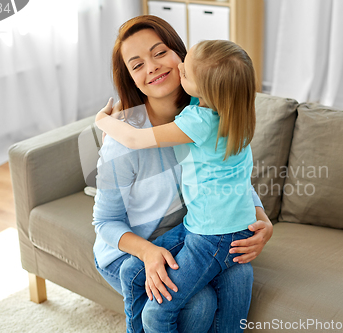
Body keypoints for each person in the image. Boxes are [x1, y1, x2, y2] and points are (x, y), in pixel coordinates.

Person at [92, 15, 273, 333]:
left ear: (182, 57)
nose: (152, 67)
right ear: (132, 79)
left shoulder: (209, 110)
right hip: (132, 249)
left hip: (198, 232)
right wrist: (147, 253)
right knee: (198, 305)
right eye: (137, 65)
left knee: (240, 272)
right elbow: (105, 223)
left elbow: (229, 175)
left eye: (159, 53)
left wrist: (261, 220)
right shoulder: (123, 142)